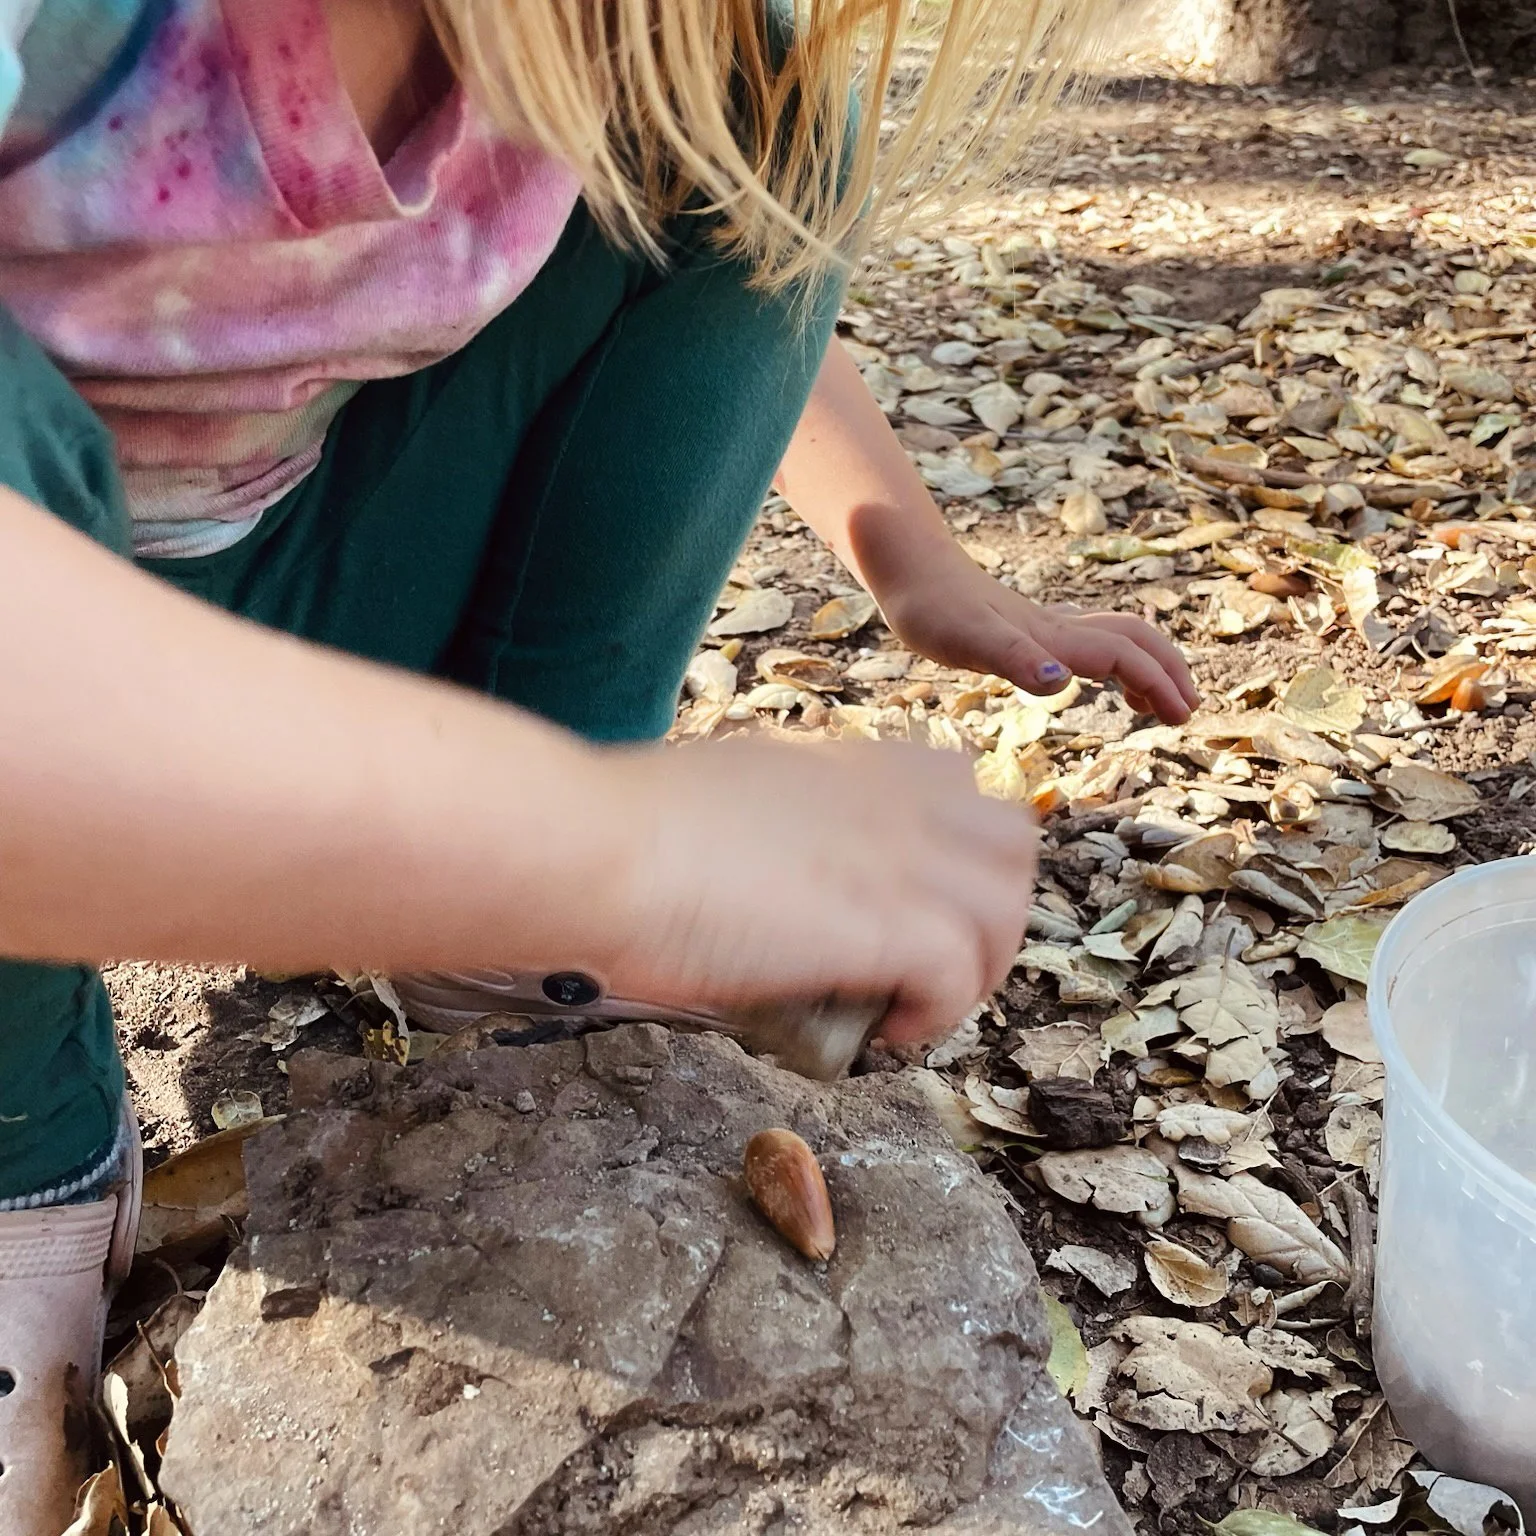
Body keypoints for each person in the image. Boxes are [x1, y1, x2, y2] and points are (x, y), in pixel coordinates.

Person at [0, 0, 1198, 1526]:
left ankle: (496, 906)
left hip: (287, 540)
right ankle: (21, 1141)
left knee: (755, 113)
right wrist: (625, 847)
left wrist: (916, 562)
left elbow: (743, 227)